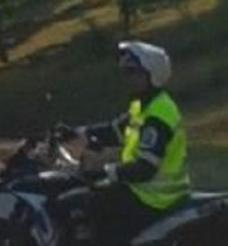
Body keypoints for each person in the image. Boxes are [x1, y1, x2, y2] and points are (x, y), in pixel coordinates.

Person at [58, 40, 191, 245]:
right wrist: (76, 133)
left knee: (84, 206)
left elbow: (145, 168)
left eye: (132, 72)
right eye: (125, 72)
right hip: (144, 190)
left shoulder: (158, 115)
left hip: (154, 197)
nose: (127, 78)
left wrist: (104, 171)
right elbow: (114, 130)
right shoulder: (145, 105)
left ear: (151, 74)